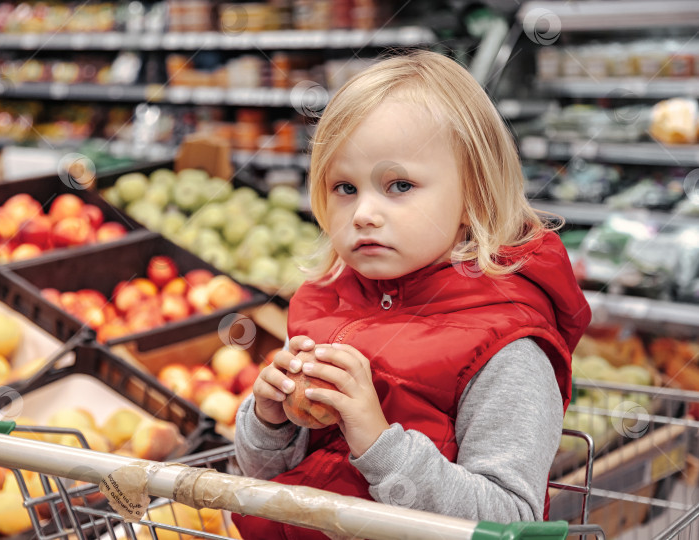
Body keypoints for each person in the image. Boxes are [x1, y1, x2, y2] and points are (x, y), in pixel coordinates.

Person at [232, 50, 591, 539]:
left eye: (399, 185)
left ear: (475, 197)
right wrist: (271, 422)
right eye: (344, 187)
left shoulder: (508, 348)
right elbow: (270, 480)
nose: (362, 213)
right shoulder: (325, 309)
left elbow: (507, 523)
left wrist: (378, 442)